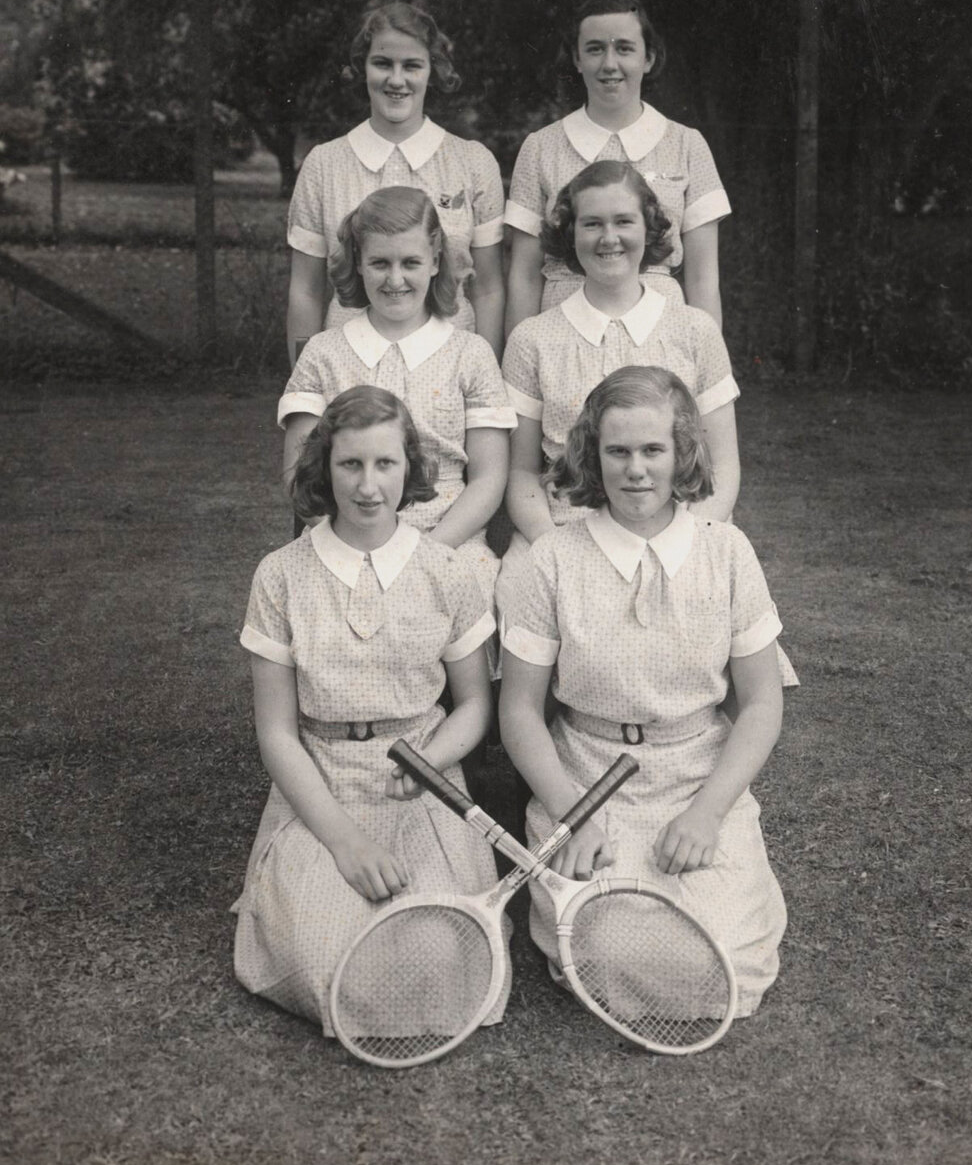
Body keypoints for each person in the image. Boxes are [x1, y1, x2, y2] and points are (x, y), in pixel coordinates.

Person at [499, 366, 787, 1015]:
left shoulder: (729, 551)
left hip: (695, 778)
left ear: (683, 451)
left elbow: (763, 703)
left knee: (723, 956)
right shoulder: (552, 559)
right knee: (611, 949)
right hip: (587, 783)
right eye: (618, 451)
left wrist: (707, 813)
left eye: (653, 450)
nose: (636, 469)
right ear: (591, 456)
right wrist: (572, 812)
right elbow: (518, 710)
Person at [233, 386, 503, 1036]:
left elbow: (474, 706)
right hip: (319, 780)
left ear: (410, 466)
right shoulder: (281, 574)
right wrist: (343, 840)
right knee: (319, 954)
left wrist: (432, 761)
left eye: (385, 463)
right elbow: (276, 732)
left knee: (436, 953)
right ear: (324, 467)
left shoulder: (447, 569)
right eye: (350, 464)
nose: (368, 485)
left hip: (421, 783)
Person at [499, 160, 739, 613]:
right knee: (518, 587)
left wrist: (681, 542)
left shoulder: (695, 332)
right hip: (565, 530)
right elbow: (521, 474)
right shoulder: (532, 340)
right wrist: (556, 548)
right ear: (570, 234)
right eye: (591, 223)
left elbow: (723, 470)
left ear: (649, 229)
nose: (608, 238)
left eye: (623, 221)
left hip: (678, 529)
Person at [280, 187, 514, 602]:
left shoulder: (470, 353)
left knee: (476, 583)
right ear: (358, 264)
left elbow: (489, 477)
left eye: (410, 263)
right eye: (379, 263)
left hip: (447, 539)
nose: (395, 279)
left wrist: (425, 553)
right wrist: (350, 549)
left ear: (436, 261)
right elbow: (299, 472)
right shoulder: (323, 354)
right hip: (343, 537)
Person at [286, 0, 506, 364]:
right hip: (348, 365)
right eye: (383, 63)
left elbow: (488, 290)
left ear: (432, 71)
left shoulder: (472, 161)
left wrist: (488, 380)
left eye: (412, 66)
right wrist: (303, 387)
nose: (397, 80)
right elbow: (306, 291)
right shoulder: (324, 164)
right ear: (363, 68)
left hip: (451, 363)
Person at [504, 0, 729, 336]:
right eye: (595, 50)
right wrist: (518, 369)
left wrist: (710, 374)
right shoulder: (540, 147)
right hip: (561, 330)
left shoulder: (687, 145)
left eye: (624, 49)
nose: (610, 64)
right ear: (577, 60)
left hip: (662, 328)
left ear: (648, 58)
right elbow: (524, 275)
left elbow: (702, 278)